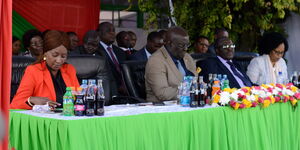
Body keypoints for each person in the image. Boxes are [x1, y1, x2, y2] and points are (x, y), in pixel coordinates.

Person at [10, 30, 80, 109]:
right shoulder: (33, 70)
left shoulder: (69, 69)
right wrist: (31, 100)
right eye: (55, 55)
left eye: (63, 56)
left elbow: (79, 98)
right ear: (45, 53)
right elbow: (16, 103)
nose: (59, 60)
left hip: (68, 117)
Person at [145, 26, 197, 102]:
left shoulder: (187, 57)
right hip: (163, 108)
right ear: (169, 43)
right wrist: (191, 92)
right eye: (181, 45)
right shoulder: (156, 60)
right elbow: (163, 93)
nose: (186, 48)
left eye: (187, 45)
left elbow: (196, 80)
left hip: (188, 103)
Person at [97, 22, 128, 96]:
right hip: (107, 92)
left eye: (113, 30)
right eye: (108, 31)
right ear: (99, 33)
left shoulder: (120, 52)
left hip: (125, 92)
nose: (112, 33)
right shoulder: (96, 50)